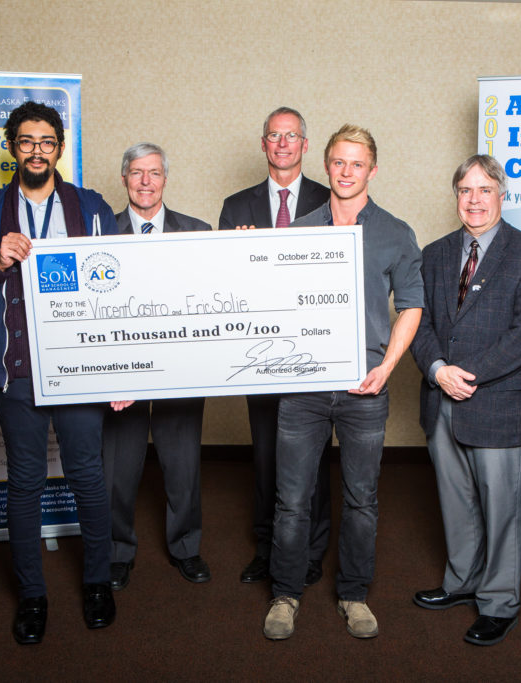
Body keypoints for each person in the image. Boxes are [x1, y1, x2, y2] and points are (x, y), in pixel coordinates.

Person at [0, 102, 119, 644]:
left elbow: (122, 291)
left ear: (60, 147)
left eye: (47, 141)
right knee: (24, 484)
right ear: (12, 147)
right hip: (15, 371)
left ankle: (97, 582)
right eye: (27, 141)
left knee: (88, 477)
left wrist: (121, 373)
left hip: (79, 368)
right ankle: (32, 595)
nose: (37, 150)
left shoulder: (92, 210)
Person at [262, 124, 423, 641]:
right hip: (304, 392)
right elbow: (269, 302)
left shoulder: (396, 232)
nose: (347, 172)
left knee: (361, 499)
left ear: (372, 170)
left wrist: (388, 367)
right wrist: (246, 258)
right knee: (291, 499)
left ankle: (353, 595)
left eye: (357, 164)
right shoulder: (299, 230)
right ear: (326, 166)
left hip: (366, 390)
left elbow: (412, 305)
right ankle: (285, 595)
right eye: (338, 162)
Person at [410, 155, 521, 646]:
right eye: (465, 190)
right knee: (455, 502)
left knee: (501, 508)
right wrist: (437, 370)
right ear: (456, 197)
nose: (474, 200)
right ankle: (461, 582)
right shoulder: (434, 253)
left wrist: (466, 375)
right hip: (441, 396)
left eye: (484, 190)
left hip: (493, 399)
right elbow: (419, 322)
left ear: (502, 195)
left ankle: (499, 602)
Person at [218, 107, 333, 586]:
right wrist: (241, 254)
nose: (283, 143)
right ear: (263, 144)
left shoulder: (332, 200)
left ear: (305, 145)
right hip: (260, 354)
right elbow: (221, 280)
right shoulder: (235, 206)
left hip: (315, 350)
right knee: (266, 452)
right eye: (274, 136)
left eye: (292, 136)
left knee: (316, 456)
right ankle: (267, 548)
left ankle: (311, 550)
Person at [103, 143, 212, 591]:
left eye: (153, 172)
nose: (145, 181)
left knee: (183, 466)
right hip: (120, 371)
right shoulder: (98, 231)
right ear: (124, 178)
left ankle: (186, 546)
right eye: (136, 172)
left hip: (180, 370)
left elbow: (213, 299)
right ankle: (115, 552)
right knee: (116, 469)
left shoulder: (199, 231)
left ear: (166, 179)